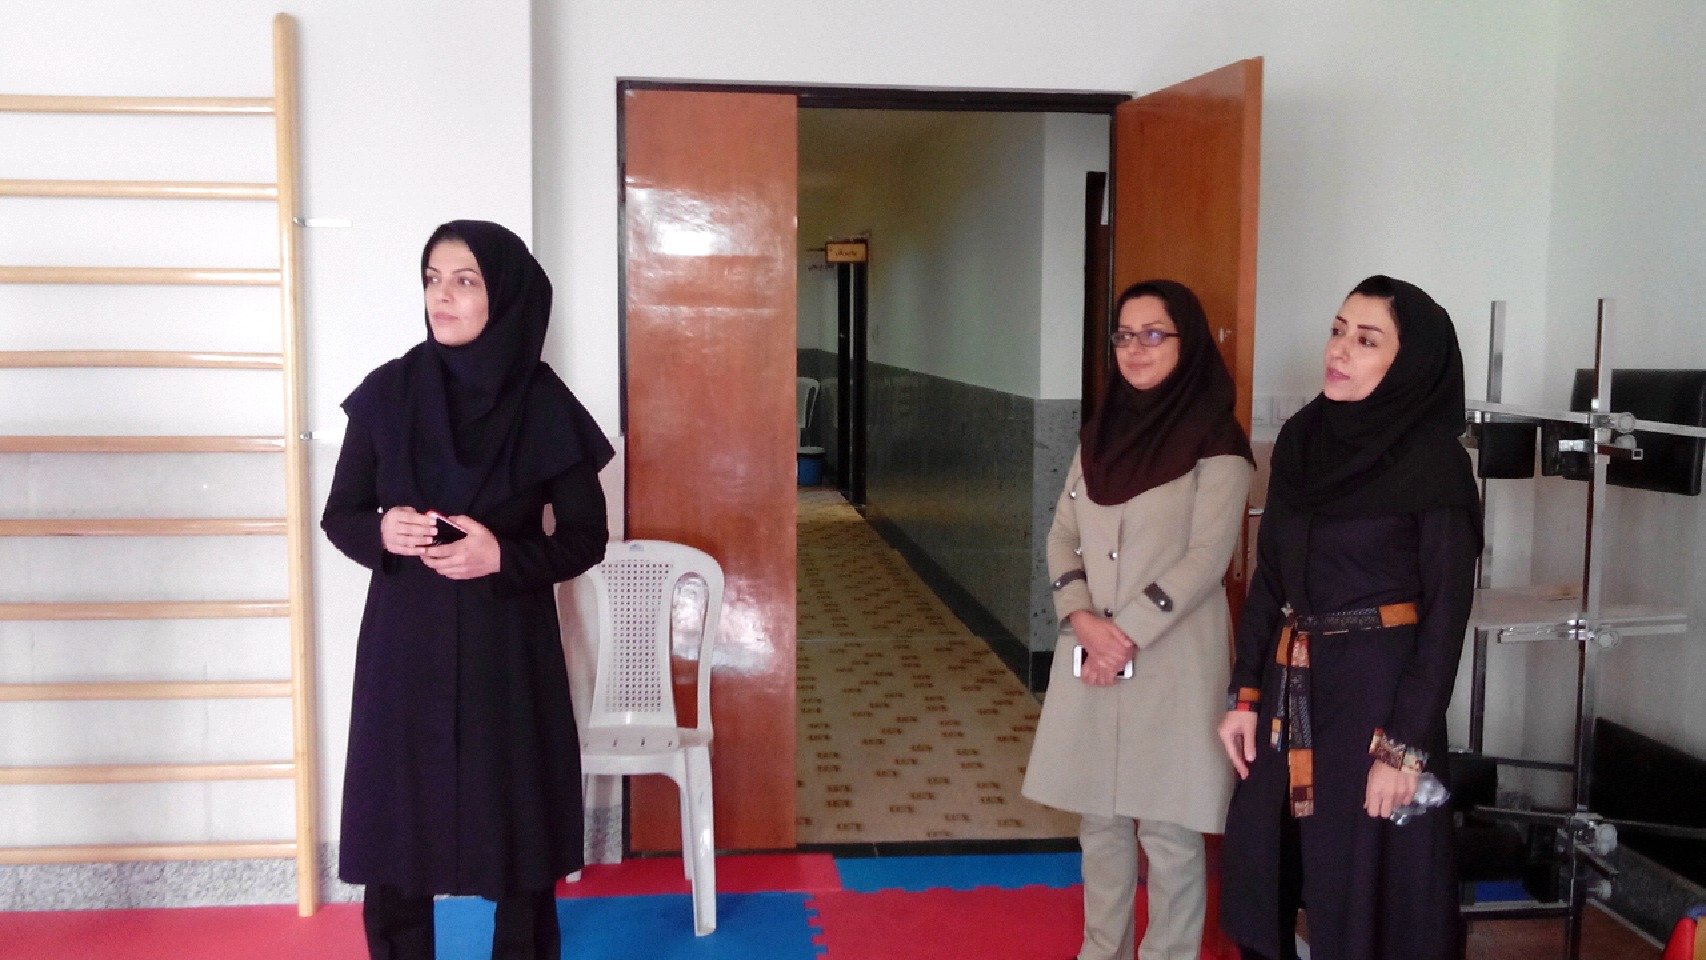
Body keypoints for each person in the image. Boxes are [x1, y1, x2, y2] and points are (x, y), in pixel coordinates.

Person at [322, 220, 613, 960]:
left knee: (518, 826)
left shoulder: (543, 403)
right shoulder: (388, 393)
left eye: (464, 280)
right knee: (398, 830)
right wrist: (382, 530)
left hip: (506, 651)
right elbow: (341, 515)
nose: (441, 296)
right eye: (432, 279)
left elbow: (586, 537)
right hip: (404, 648)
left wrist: (501, 556)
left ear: (503, 296)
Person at [1217, 275, 1480, 960]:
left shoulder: (1435, 464)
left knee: (1365, 889)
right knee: (1262, 866)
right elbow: (1270, 578)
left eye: (1366, 340)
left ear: (1407, 361)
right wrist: (1245, 693)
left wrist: (1403, 748)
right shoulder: (1303, 439)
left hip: (1376, 700)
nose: (1339, 350)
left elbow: (1445, 618)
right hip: (1289, 686)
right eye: (1338, 331)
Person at [1024, 280, 1255, 960]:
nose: (1135, 348)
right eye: (1124, 335)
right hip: (1090, 646)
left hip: (1172, 653)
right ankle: (1102, 950)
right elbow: (1062, 536)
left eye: (1154, 334)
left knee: (1169, 828)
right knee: (1099, 820)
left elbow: (1208, 557)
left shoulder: (1219, 443)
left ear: (1188, 342)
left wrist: (1121, 633)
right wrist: (1081, 617)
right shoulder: (1100, 437)